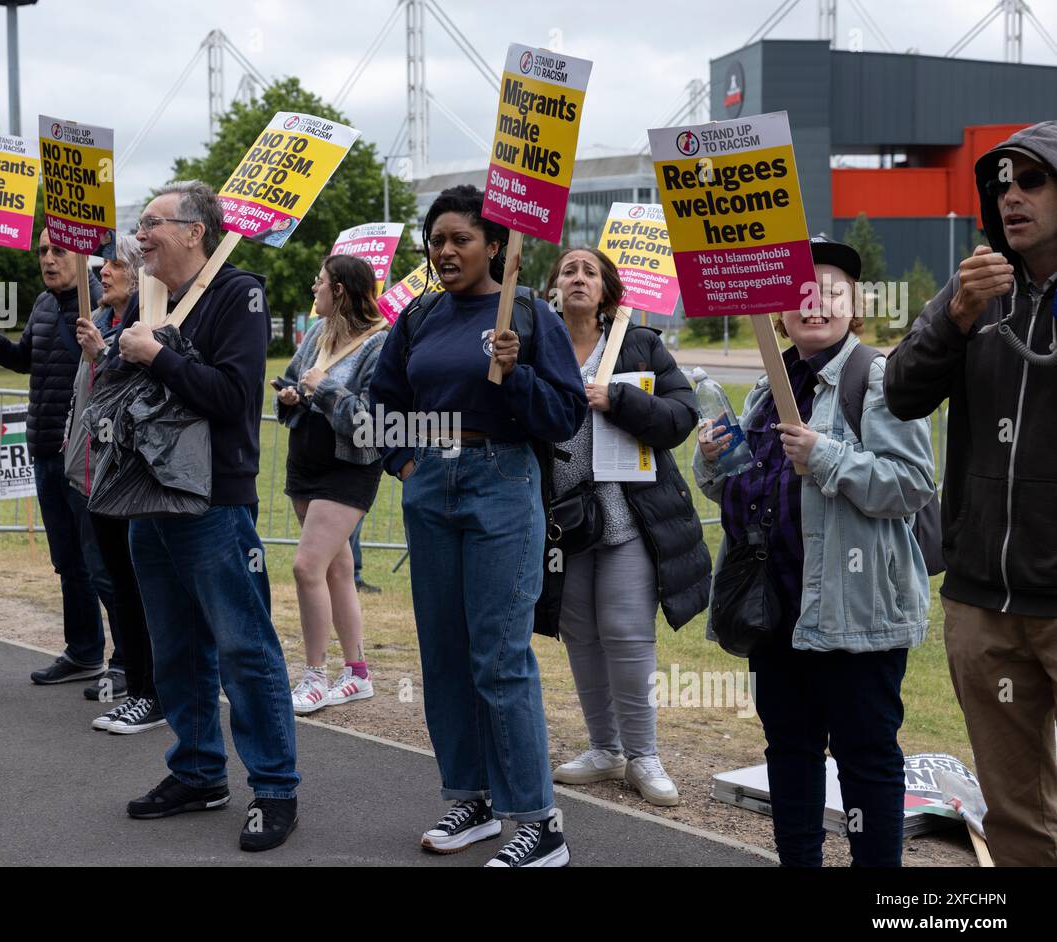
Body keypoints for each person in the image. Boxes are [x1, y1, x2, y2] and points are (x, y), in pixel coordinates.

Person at [694, 236, 935, 867]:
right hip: (779, 611)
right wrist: (712, 458)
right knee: (790, 751)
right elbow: (731, 487)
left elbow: (912, 484)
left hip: (856, 614)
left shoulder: (878, 378)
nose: (814, 301)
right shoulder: (767, 388)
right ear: (779, 308)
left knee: (865, 758)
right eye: (800, 291)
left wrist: (825, 457)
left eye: (830, 289)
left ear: (853, 303)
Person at [369, 184, 587, 867]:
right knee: (443, 652)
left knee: (499, 657)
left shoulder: (528, 313)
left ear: (495, 245)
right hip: (430, 483)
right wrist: (406, 463)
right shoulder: (420, 317)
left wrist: (515, 370)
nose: (445, 251)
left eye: (460, 238)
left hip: (502, 480)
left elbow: (565, 415)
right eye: (436, 240)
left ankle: (538, 822)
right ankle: (473, 798)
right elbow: (381, 400)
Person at [885, 121, 1057, 866]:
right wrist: (951, 321)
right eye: (1001, 183)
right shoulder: (974, 294)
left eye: (1032, 179)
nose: (1011, 194)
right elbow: (899, 392)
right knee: (1016, 816)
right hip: (984, 602)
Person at [113, 181, 299, 852]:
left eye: (152, 222)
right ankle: (197, 770)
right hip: (148, 494)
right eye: (139, 222)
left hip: (213, 497)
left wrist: (157, 354)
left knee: (244, 646)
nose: (140, 234)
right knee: (176, 646)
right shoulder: (146, 294)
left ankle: (275, 787)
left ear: (194, 232)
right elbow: (131, 383)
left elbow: (232, 395)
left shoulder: (238, 292)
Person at [543, 247, 710, 805]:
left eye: (590, 271)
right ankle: (604, 748)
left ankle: (643, 755)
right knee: (581, 636)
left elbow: (680, 418)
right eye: (569, 270)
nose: (578, 278)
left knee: (625, 634)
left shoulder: (639, 344)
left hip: (628, 520)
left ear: (607, 289)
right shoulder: (541, 345)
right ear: (554, 286)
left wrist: (617, 398)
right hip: (564, 524)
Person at [0, 229, 123, 696]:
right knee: (68, 563)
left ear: (83, 256)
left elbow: (106, 366)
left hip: (89, 456)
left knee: (102, 565)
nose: (49, 259)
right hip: (46, 449)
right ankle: (84, 652)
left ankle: (129, 660)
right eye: (42, 252)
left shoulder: (100, 303)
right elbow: (27, 360)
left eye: (59, 250)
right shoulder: (42, 304)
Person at [274, 254, 387, 714]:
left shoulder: (379, 343)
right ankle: (357, 673)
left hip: (348, 467)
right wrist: (290, 394)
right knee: (338, 570)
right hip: (306, 461)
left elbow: (370, 422)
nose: (313, 291)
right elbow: (295, 383)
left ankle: (314, 674)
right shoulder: (318, 335)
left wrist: (322, 389)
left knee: (306, 567)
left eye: (319, 283)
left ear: (339, 289)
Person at [71, 235, 165, 735]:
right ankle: (139, 683)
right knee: (120, 586)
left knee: (138, 586)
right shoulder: (104, 322)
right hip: (99, 475)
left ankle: (154, 691)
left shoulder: (147, 325)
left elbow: (135, 390)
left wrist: (101, 354)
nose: (102, 273)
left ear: (137, 272)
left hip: (133, 477)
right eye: (101, 265)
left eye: (112, 265)